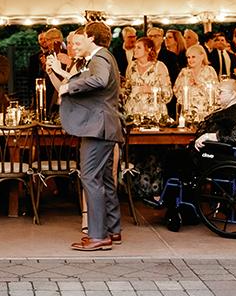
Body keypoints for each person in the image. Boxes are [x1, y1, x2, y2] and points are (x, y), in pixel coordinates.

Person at [50, 22, 122, 252]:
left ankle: (98, 235)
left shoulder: (100, 58)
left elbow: (100, 81)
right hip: (105, 125)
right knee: (103, 180)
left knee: (90, 177)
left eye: (82, 37)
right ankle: (111, 231)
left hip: (97, 127)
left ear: (91, 37)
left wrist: (69, 88)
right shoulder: (106, 56)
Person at [121, 37, 172, 121]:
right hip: (132, 113)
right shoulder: (131, 66)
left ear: (148, 49)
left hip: (153, 114)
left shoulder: (159, 66)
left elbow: (168, 95)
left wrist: (151, 90)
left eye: (139, 47)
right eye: (135, 47)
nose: (135, 50)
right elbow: (127, 89)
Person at [173, 44, 219, 126]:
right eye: (188, 57)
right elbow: (176, 91)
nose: (190, 60)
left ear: (202, 57)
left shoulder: (209, 70)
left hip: (205, 113)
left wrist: (199, 83)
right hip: (187, 113)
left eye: (193, 57)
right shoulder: (184, 72)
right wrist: (185, 90)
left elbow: (216, 93)